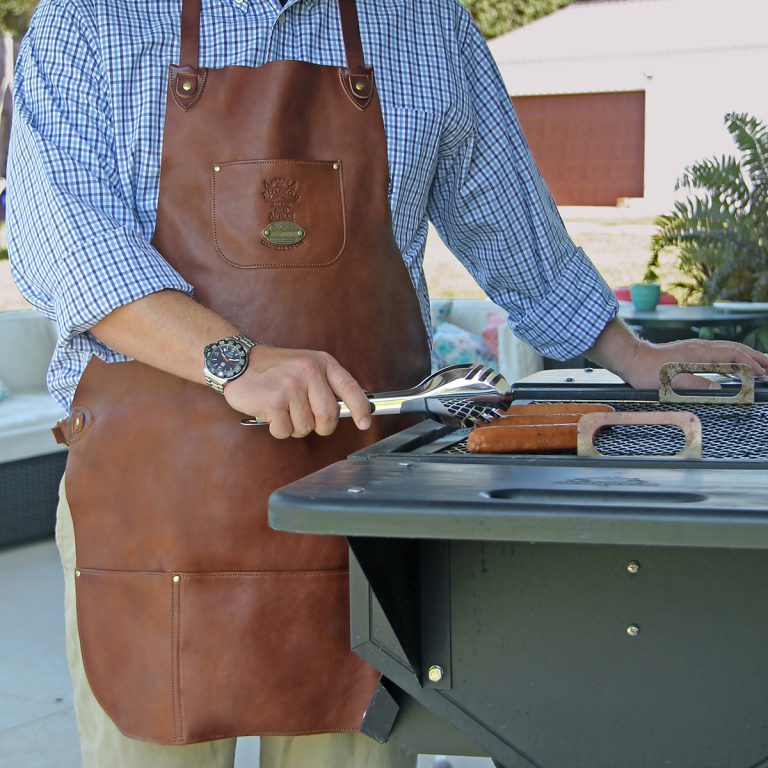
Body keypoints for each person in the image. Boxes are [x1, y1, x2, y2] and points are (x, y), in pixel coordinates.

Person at [7, 1, 767, 767]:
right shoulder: (91, 19)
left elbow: (513, 227)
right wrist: (234, 359)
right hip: (149, 513)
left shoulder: (426, 24)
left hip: (362, 515)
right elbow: (61, 239)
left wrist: (626, 352)